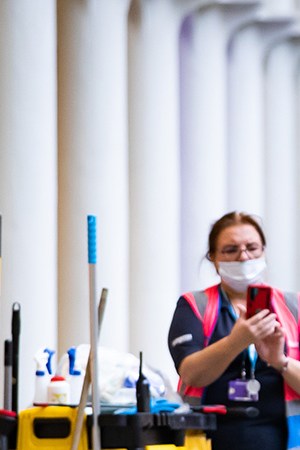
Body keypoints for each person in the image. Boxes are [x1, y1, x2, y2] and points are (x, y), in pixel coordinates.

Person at [168, 211, 300, 450]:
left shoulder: (294, 306)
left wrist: (280, 361)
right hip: (206, 440)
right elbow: (190, 374)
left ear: (263, 251)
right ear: (213, 258)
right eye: (231, 250)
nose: (243, 257)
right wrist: (236, 342)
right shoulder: (194, 305)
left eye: (252, 247)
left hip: (281, 441)